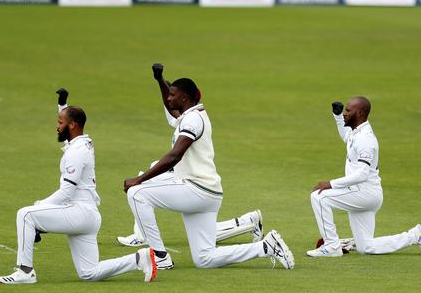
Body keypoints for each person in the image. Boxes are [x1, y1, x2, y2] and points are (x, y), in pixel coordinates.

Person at [122, 74, 295, 269]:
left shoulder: (193, 120)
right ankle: (266, 246)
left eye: (173, 95)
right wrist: (160, 80)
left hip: (195, 190)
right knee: (204, 258)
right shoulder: (190, 116)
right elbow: (171, 111)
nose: (168, 99)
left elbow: (175, 156)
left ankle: (159, 256)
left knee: (137, 193)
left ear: (185, 98)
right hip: (207, 194)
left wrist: (138, 179)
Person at [0, 92, 156, 284]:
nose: (57, 126)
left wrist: (40, 204)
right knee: (89, 273)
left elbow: (66, 192)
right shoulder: (79, 143)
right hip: (86, 215)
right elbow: (68, 133)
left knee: (25, 214)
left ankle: (25, 272)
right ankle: (139, 259)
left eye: (60, 122)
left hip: (79, 213)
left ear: (72, 125)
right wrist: (63, 105)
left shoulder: (77, 152)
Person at [307, 97, 421, 257]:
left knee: (319, 197)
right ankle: (414, 236)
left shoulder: (366, 139)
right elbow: (346, 137)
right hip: (365, 194)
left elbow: (362, 174)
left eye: (348, 110)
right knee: (365, 247)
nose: (346, 113)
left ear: (360, 113)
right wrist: (338, 116)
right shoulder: (356, 132)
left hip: (364, 193)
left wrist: (331, 184)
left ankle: (332, 246)